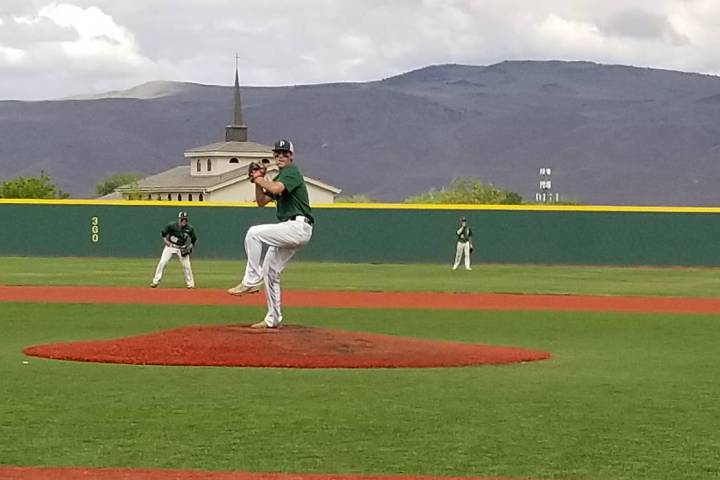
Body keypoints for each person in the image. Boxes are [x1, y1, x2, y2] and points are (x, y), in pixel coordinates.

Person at [227, 138, 314, 329]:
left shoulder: (291, 172)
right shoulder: (279, 176)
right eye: (277, 153)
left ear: (291, 156)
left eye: (284, 153)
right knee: (270, 271)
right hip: (292, 229)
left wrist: (258, 177)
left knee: (253, 233)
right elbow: (261, 201)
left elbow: (276, 189)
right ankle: (273, 318)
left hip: (297, 226)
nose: (280, 156)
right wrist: (257, 181)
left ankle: (250, 280)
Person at [151, 211, 197, 288]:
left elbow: (194, 239)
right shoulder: (171, 226)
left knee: (187, 266)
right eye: (182, 219)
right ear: (179, 219)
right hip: (171, 247)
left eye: (185, 219)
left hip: (182, 248)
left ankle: (190, 284)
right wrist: (165, 241)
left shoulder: (189, 228)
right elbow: (163, 233)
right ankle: (155, 281)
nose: (184, 221)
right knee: (162, 262)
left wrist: (190, 246)